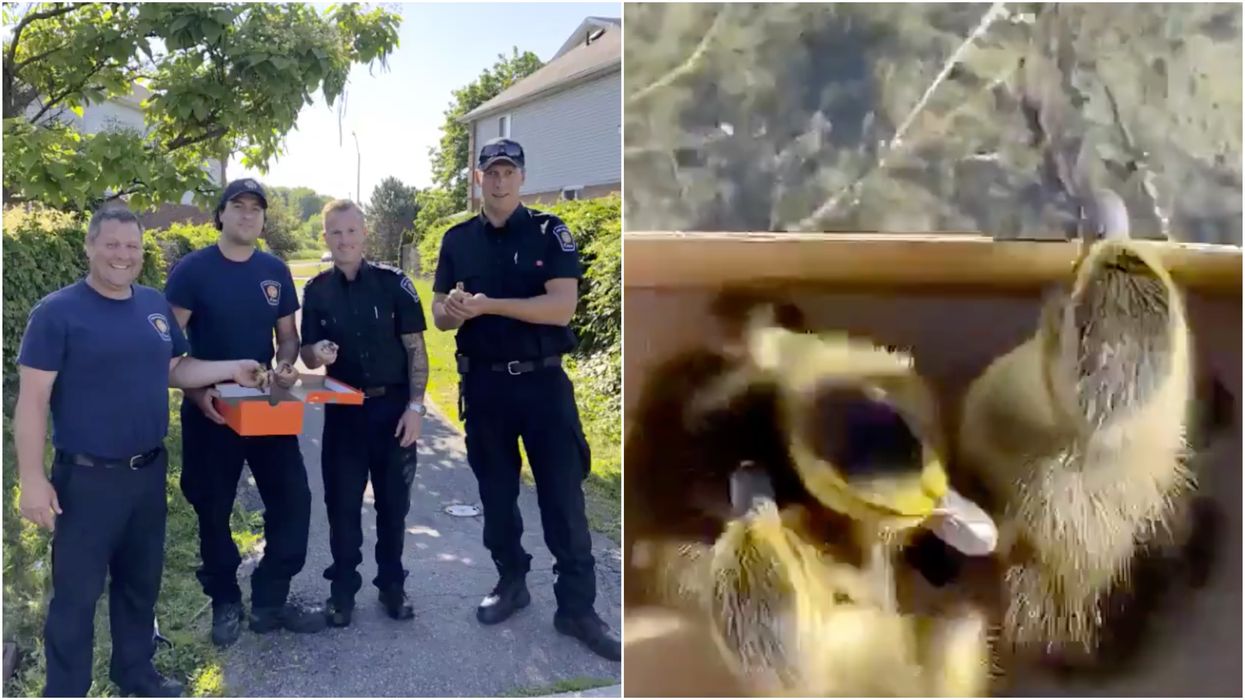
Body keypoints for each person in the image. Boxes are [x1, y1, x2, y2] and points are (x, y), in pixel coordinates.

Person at [14, 206, 265, 697]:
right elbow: (32, 402)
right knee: (76, 599)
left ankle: (136, 675)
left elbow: (175, 369)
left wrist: (230, 367)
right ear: (89, 247)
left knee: (139, 584)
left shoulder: (152, 305)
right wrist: (32, 478)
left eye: (131, 246)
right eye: (111, 244)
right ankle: (65, 690)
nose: (122, 255)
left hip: (147, 474)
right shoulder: (56, 313)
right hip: (85, 481)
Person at [430, 137, 620, 661]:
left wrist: (491, 306)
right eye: (490, 171)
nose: (498, 180)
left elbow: (560, 308)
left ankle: (577, 608)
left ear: (522, 177)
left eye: (507, 171)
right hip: (485, 385)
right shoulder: (456, 239)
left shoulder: (548, 231)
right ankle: (511, 582)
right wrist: (458, 311)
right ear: (478, 179)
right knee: (496, 495)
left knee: (563, 495)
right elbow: (440, 314)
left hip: (542, 384)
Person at [165, 178, 326, 646]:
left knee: (293, 501)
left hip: (265, 409)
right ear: (221, 214)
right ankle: (225, 600)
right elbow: (170, 353)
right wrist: (198, 396)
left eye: (256, 209)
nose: (248, 215)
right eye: (238, 206)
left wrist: (284, 366)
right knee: (212, 509)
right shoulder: (191, 272)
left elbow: (288, 338)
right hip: (210, 410)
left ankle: (271, 601)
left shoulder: (274, 271)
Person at [299, 199, 429, 626]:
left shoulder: (395, 284)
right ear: (325, 238)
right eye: (336, 232)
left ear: (364, 234)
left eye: (352, 231)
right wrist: (316, 352)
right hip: (343, 412)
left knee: (394, 507)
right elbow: (308, 355)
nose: (344, 239)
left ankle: (392, 586)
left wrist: (415, 407)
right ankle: (342, 591)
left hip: (392, 410)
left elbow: (416, 349)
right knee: (342, 507)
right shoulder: (316, 291)